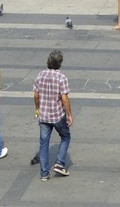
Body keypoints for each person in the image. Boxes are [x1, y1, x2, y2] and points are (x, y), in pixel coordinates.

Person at [33, 49, 72, 180]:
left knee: (43, 144)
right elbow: (64, 98)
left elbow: (36, 95)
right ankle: (60, 163)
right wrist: (69, 114)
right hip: (57, 115)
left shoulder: (40, 75)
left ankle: (44, 173)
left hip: (43, 115)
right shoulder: (62, 77)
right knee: (65, 136)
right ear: (60, 63)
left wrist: (37, 108)